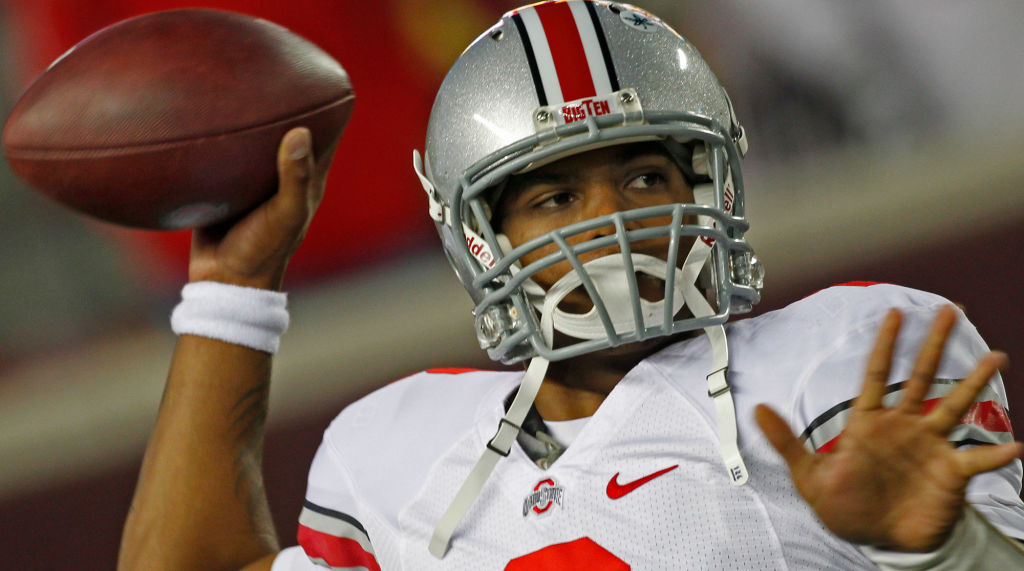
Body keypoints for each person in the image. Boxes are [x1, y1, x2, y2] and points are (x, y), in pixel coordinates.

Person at [118, 2, 1024, 570]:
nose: (612, 220)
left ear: (707, 186)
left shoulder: (838, 359)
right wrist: (231, 291)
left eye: (644, 177)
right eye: (556, 195)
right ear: (480, 233)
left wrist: (950, 550)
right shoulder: (396, 455)